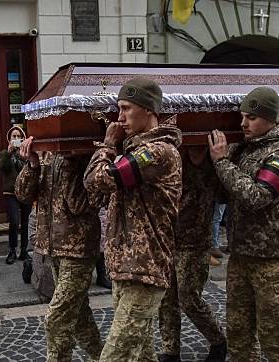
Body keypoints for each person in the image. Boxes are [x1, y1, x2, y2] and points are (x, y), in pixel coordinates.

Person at [83, 78, 182, 361]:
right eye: (118, 108)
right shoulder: (134, 149)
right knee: (141, 355)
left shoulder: (158, 152)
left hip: (145, 269)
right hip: (126, 267)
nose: (119, 117)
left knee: (115, 355)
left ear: (149, 110)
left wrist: (107, 145)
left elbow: (98, 180)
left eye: (126, 108)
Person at [208, 86, 279, 361]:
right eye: (241, 116)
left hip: (275, 260)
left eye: (251, 117)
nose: (243, 123)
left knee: (275, 341)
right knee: (239, 338)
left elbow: (256, 195)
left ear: (271, 118)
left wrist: (221, 162)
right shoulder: (245, 149)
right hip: (241, 256)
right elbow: (223, 191)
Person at [16, 141, 103, 361]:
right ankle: (102, 357)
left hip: (78, 249)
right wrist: (33, 165)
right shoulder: (47, 154)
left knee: (57, 317)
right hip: (52, 247)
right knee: (80, 315)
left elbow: (78, 204)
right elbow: (23, 195)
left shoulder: (85, 153)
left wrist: (70, 159)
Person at [158, 147, 227, 362]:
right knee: (166, 299)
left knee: (188, 297)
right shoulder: (173, 156)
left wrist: (213, 161)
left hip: (196, 241)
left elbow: (223, 194)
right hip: (168, 237)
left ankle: (218, 340)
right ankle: (171, 350)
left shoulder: (213, 162)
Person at [0, 126, 32, 264]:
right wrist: (8, 153)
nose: (16, 139)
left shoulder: (27, 153)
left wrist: (24, 154)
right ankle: (12, 250)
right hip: (10, 192)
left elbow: (31, 168)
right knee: (14, 222)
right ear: (9, 139)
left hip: (25, 191)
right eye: (13, 137)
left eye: (18, 136)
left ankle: (24, 251)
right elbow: (2, 167)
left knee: (25, 222)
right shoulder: (4, 153)